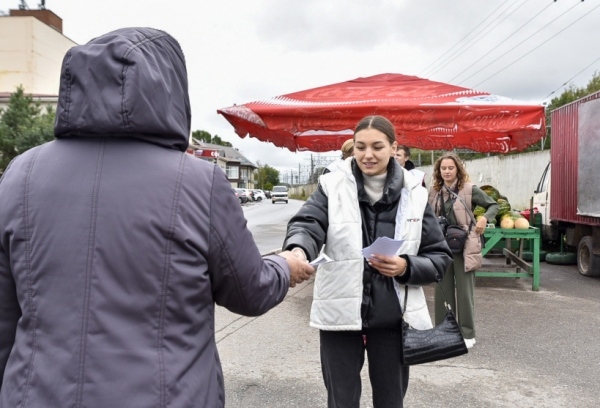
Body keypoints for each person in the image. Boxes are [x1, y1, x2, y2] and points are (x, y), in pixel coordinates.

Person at [0, 28, 314, 408]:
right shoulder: (200, 181)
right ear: (168, 91)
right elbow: (250, 291)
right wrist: (286, 263)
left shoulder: (20, 173)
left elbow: (5, 315)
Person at [283, 115, 452, 408]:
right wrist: (297, 250)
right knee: (341, 400)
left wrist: (406, 267)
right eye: (360, 147)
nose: (368, 154)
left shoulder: (416, 193)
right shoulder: (330, 185)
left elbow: (439, 258)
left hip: (393, 317)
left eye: (377, 146)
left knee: (391, 400)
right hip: (339, 314)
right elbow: (307, 224)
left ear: (393, 147)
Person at [428, 152, 499, 350]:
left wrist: (485, 218)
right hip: (441, 246)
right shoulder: (434, 192)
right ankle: (443, 331)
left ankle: (467, 333)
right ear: (439, 171)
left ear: (458, 169)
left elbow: (493, 205)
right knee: (442, 290)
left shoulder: (469, 189)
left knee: (465, 292)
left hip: (465, 245)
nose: (447, 171)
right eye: (443, 168)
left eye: (451, 168)